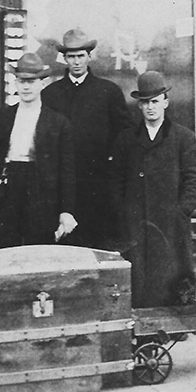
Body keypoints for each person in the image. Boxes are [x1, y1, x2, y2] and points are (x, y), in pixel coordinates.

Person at [108, 71, 196, 308]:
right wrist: (124, 212)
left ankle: (174, 328)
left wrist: (180, 212)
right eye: (144, 102)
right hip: (136, 223)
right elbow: (115, 181)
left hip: (171, 224)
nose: (150, 107)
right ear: (139, 106)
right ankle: (143, 331)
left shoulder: (183, 138)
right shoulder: (126, 139)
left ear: (165, 102)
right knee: (139, 278)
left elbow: (195, 180)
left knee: (171, 275)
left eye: (154, 101)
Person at [41, 28, 132, 248]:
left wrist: (111, 161)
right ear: (64, 59)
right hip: (62, 183)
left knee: (97, 241)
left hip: (97, 181)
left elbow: (125, 133)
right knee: (64, 243)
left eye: (81, 56)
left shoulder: (108, 92)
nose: (76, 62)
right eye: (71, 57)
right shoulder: (50, 94)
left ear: (89, 56)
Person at [0, 52, 77, 248]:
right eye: (21, 81)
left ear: (42, 83)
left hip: (41, 190)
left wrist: (66, 210)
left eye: (32, 81)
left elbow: (67, 170)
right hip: (8, 186)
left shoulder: (58, 123)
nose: (26, 86)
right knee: (5, 247)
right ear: (15, 83)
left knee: (40, 248)